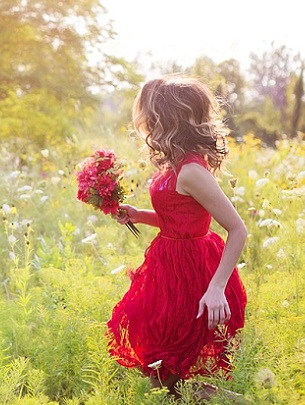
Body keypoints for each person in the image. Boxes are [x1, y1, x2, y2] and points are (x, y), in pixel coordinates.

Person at [107, 74, 248, 401]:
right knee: (162, 370)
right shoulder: (173, 165)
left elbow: (238, 229)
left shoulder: (191, 171)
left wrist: (216, 289)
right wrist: (139, 215)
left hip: (194, 275)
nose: (145, 122)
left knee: (170, 373)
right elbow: (179, 221)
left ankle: (241, 401)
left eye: (150, 115)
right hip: (167, 269)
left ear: (165, 118)